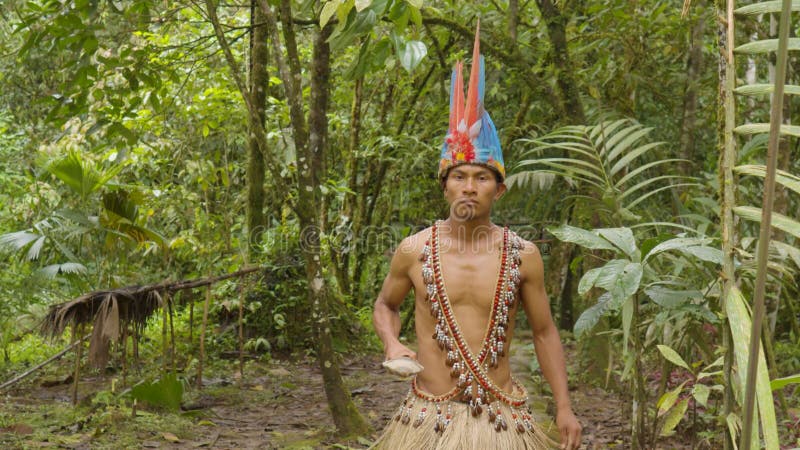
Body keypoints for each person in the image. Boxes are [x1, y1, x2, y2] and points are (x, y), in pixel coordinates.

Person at [370, 22, 582, 450]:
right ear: (444, 185)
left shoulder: (524, 255)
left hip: (501, 420)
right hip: (426, 418)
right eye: (460, 176)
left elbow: (544, 333)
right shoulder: (413, 251)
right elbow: (385, 304)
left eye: (482, 177)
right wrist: (392, 342)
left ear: (498, 188)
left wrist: (563, 406)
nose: (469, 186)